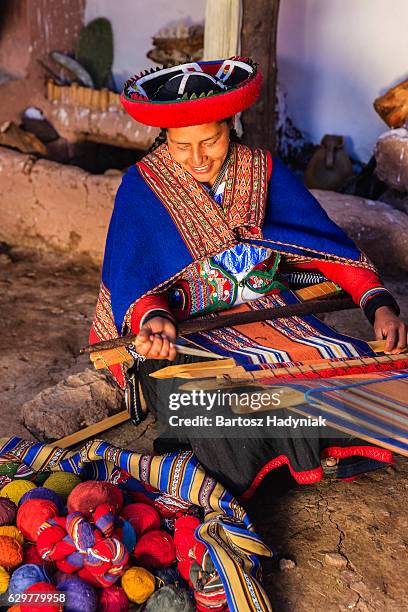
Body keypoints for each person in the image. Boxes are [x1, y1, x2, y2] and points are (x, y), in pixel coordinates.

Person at [90, 58, 408, 497]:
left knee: (345, 363)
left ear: (231, 126)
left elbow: (324, 245)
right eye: (182, 146)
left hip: (267, 308)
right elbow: (136, 279)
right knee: (207, 400)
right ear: (164, 137)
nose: (198, 158)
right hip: (187, 326)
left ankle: (319, 449)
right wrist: (154, 320)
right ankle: (285, 452)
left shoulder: (262, 170)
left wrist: (379, 304)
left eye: (211, 140)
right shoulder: (143, 186)